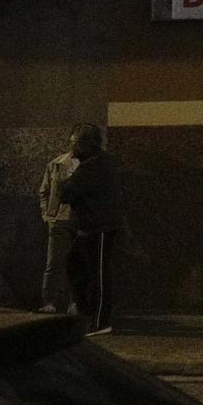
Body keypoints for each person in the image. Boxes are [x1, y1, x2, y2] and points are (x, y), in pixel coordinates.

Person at [59, 124, 120, 332]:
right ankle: (86, 312)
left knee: (98, 273)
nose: (71, 147)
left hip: (99, 226)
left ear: (84, 145)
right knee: (75, 265)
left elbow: (66, 192)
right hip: (91, 226)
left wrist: (67, 178)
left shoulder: (93, 167)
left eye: (73, 143)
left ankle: (100, 320)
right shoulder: (100, 163)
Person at [36, 133, 82, 313]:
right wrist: (47, 214)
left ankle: (74, 301)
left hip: (81, 219)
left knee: (77, 262)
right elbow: (44, 191)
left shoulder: (89, 166)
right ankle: (49, 301)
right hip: (60, 219)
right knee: (54, 263)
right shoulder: (56, 164)